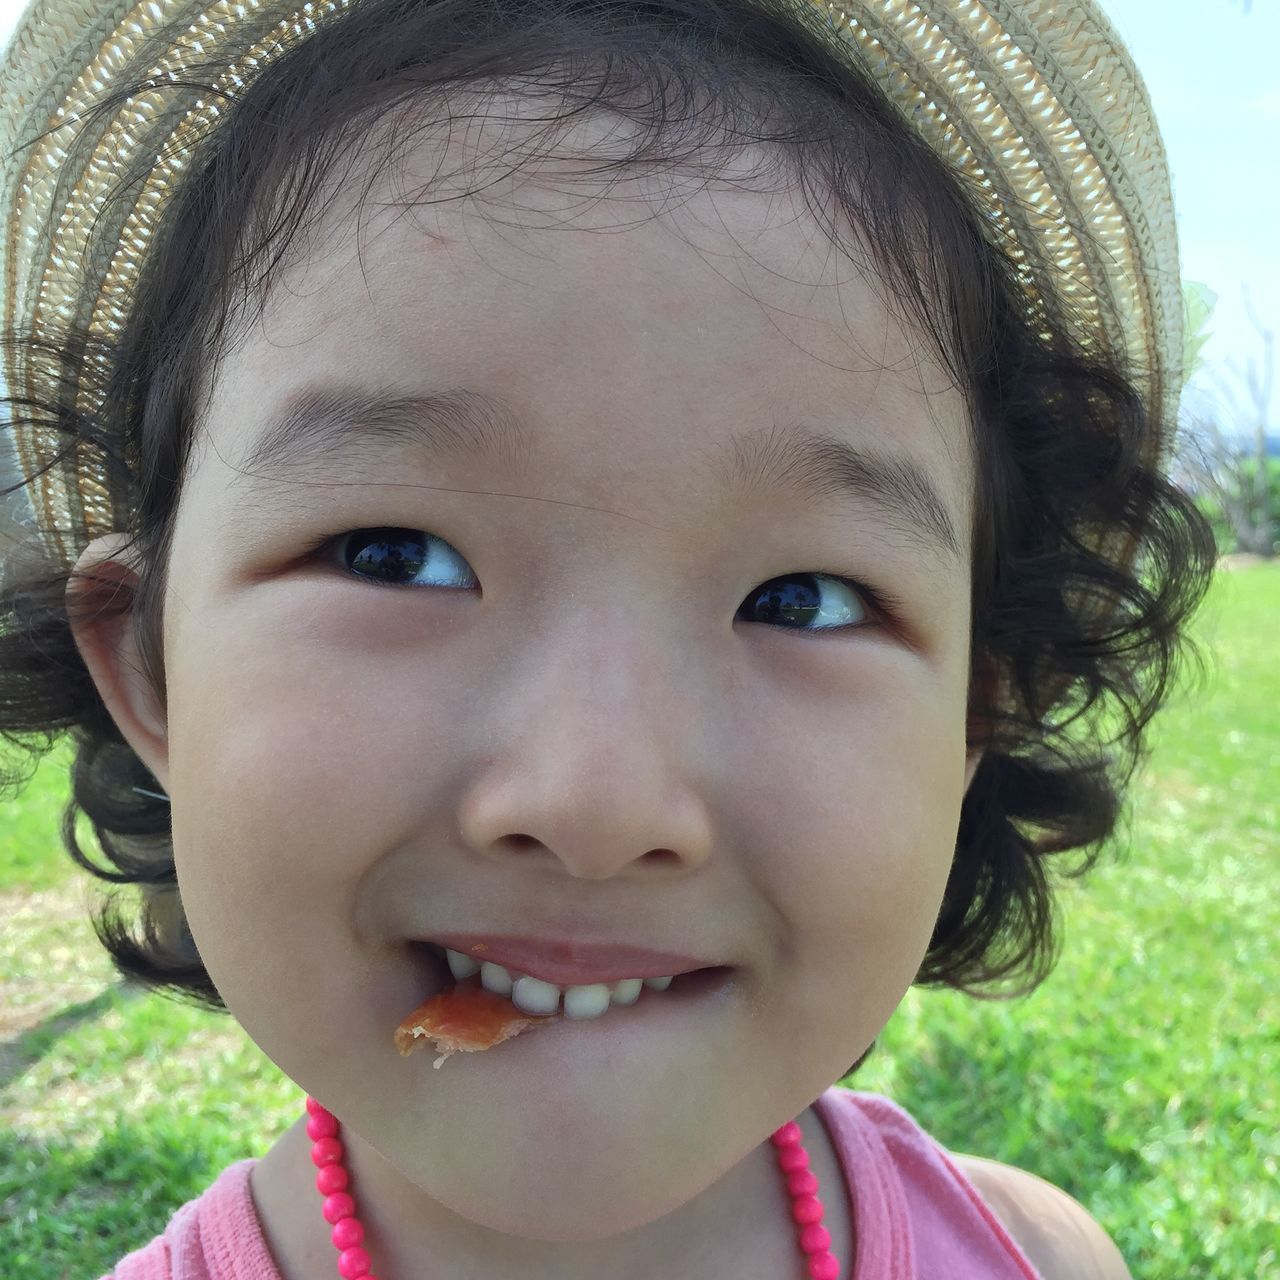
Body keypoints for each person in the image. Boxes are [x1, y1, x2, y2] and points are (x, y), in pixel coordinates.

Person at [0, 0, 1218, 1277]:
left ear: (972, 717)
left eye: (800, 596)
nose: (595, 797)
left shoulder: (1035, 1257)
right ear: (149, 667)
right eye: (391, 555)